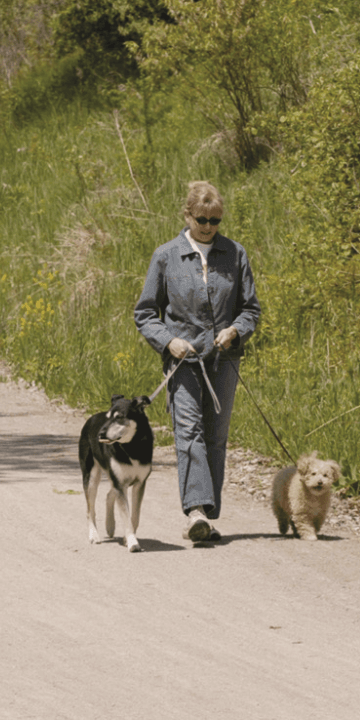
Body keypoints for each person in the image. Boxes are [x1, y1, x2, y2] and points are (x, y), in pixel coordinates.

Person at [133, 180, 261, 544]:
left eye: (215, 220)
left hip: (224, 359)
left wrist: (235, 330)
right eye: (202, 218)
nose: (208, 226)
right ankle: (196, 512)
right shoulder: (166, 255)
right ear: (187, 215)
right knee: (189, 433)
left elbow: (251, 309)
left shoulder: (235, 254)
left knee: (216, 437)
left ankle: (207, 513)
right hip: (184, 362)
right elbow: (145, 313)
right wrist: (169, 341)